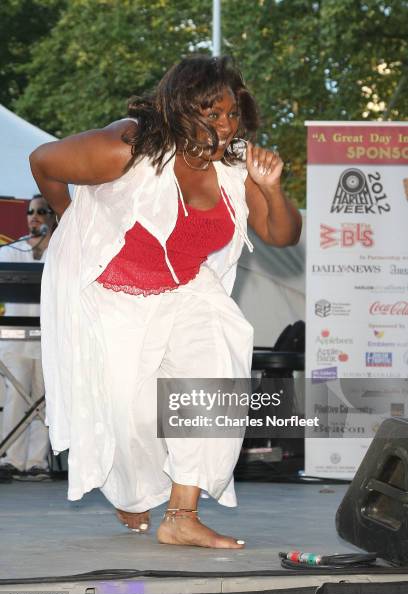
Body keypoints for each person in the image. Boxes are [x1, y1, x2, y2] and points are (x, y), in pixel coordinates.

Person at [30, 56, 301, 548]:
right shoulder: (125, 148)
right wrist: (71, 216)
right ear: (178, 108)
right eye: (211, 114)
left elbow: (281, 235)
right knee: (130, 419)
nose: (225, 127)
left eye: (232, 114)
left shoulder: (236, 165)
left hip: (187, 290)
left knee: (214, 374)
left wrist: (272, 189)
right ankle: (132, 493)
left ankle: (182, 515)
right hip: (113, 293)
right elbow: (43, 162)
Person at [0, 195, 56, 480]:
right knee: (16, 399)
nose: (34, 216)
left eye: (42, 211)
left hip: (49, 341)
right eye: (30, 212)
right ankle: (11, 459)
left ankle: (36, 462)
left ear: (52, 217)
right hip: (15, 339)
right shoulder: (13, 249)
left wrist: (46, 247)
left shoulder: (59, 250)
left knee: (44, 401)